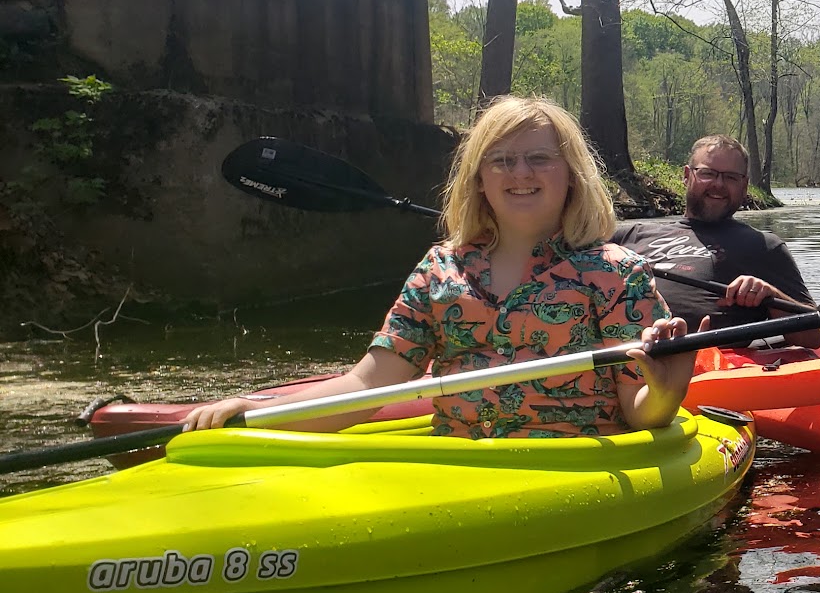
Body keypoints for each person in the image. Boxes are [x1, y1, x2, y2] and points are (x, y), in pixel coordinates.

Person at [183, 96, 698, 438]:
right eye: (500, 160)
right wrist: (258, 413)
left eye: (539, 158)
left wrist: (668, 389)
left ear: (572, 177)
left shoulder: (615, 273)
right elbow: (368, 386)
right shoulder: (439, 271)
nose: (519, 172)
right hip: (457, 472)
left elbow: (640, 411)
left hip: (573, 474)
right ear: (479, 179)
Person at [613, 135, 820, 349]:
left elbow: (814, 337)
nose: (718, 184)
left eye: (731, 177)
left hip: (709, 365)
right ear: (687, 176)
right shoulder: (628, 236)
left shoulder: (764, 246)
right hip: (620, 352)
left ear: (744, 185)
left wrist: (771, 294)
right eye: (707, 173)